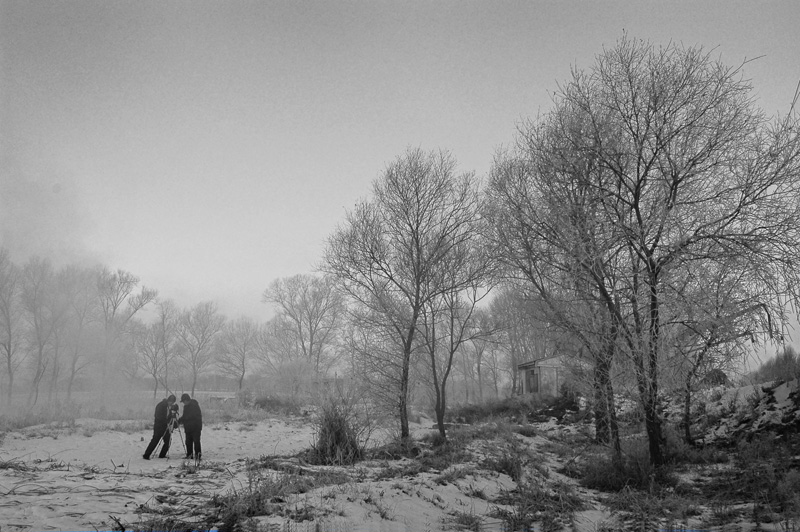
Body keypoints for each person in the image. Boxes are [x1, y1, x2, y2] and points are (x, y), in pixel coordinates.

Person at [143, 394, 177, 460]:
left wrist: (173, 418)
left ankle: (162, 455)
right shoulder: (161, 405)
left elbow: (168, 416)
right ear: (169, 400)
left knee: (168, 441)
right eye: (171, 402)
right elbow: (158, 416)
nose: (171, 404)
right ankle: (146, 455)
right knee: (155, 440)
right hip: (159, 426)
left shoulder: (167, 406)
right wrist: (166, 421)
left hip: (165, 426)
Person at [178, 393, 203, 460]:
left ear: (186, 400)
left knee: (196, 441)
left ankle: (198, 455)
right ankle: (189, 455)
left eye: (183, 401)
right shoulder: (186, 407)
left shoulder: (194, 405)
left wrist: (183, 419)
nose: (183, 403)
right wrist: (179, 421)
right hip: (188, 427)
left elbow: (191, 416)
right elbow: (185, 416)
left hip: (196, 427)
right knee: (188, 442)